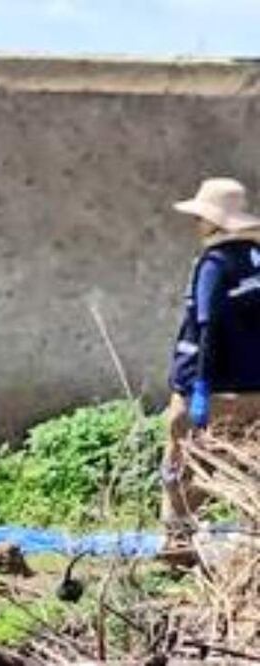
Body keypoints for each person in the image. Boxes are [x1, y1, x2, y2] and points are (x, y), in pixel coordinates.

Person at [162, 178, 260, 534]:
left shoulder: (214, 265)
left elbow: (208, 326)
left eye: (199, 218)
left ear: (213, 222)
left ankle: (178, 547)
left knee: (183, 470)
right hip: (254, 390)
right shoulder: (255, 261)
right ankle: (251, 545)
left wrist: (200, 387)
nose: (196, 224)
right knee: (248, 470)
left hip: (213, 390)